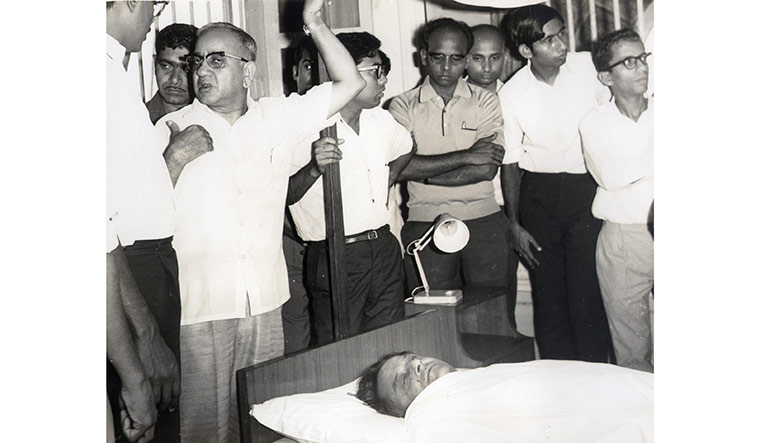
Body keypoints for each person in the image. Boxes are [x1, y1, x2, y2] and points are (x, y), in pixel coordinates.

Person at [154, 1, 365, 439]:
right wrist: (173, 159)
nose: (201, 71)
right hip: (200, 309)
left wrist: (314, 23)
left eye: (217, 60)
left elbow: (350, 81)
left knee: (259, 422)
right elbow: (140, 219)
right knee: (203, 431)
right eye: (197, 61)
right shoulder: (171, 129)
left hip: (265, 303)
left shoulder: (277, 117)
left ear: (248, 71)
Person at [106, 2, 213, 441]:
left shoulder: (113, 72)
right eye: (155, 3)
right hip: (134, 269)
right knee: (148, 412)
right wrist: (145, 333)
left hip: (150, 266)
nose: (155, 15)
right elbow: (103, 229)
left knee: (157, 413)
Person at [499, 4, 613, 362]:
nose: (562, 44)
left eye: (562, 34)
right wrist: (515, 224)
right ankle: (558, 382)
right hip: (539, 195)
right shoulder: (512, 94)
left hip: (587, 190)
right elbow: (510, 162)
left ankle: (596, 379)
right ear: (526, 50)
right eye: (549, 40)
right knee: (548, 298)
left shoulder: (588, 68)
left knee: (588, 294)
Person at [288, 32, 413, 344]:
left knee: (389, 343)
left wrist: (389, 177)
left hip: (383, 247)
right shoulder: (301, 127)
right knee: (339, 350)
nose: (384, 79)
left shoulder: (379, 121)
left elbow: (408, 147)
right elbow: (282, 195)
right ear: (343, 71)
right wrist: (313, 168)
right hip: (335, 253)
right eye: (376, 71)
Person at [388, 18, 510, 296]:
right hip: (424, 223)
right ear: (423, 56)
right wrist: (468, 155)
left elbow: (486, 169)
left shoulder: (486, 101)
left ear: (466, 60)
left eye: (456, 58)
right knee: (430, 312)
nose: (446, 67)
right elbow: (399, 169)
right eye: (438, 57)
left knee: (490, 312)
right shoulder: (402, 105)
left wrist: (424, 173)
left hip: (484, 221)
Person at [580, 28, 653, 372]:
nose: (642, 67)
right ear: (606, 77)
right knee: (631, 349)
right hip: (624, 241)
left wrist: (636, 164)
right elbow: (610, 176)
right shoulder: (594, 123)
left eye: (643, 58)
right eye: (629, 62)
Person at [465, 23, 519, 330]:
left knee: (500, 302)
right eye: (477, 58)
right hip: (464, 207)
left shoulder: (514, 96)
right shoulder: (454, 97)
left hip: (503, 210)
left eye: (494, 58)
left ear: (505, 57)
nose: (486, 68)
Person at [281, 35, 318, 354]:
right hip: (291, 241)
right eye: (308, 66)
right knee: (295, 333)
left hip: (331, 245)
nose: (316, 75)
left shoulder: (342, 117)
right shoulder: (280, 118)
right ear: (295, 72)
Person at [145, 23, 198, 124]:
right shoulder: (135, 119)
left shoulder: (216, 119)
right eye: (166, 66)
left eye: (186, 69)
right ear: (155, 64)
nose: (174, 79)